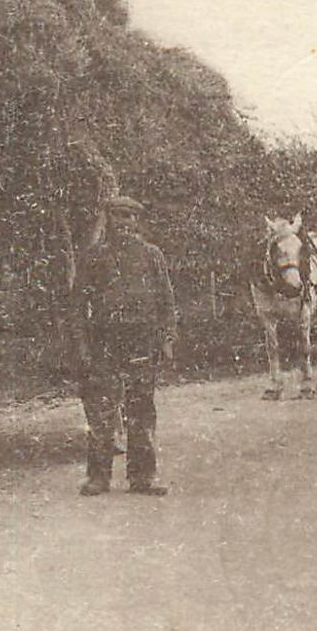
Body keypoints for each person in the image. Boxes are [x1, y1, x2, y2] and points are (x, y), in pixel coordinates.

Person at [74, 195, 179, 496]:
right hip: (104, 343)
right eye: (119, 216)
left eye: (131, 217)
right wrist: (82, 346)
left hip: (142, 342)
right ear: (108, 219)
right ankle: (98, 477)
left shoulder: (152, 255)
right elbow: (78, 306)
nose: (125, 223)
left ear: (138, 222)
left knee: (142, 408)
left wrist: (168, 338)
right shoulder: (93, 257)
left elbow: (166, 301)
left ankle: (143, 476)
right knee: (102, 410)